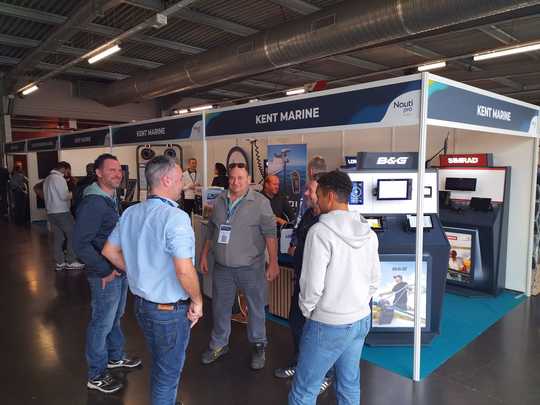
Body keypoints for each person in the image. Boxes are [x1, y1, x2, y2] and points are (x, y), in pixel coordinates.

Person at [102, 155, 203, 405]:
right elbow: (184, 270)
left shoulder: (131, 212)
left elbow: (109, 251)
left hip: (142, 307)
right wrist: (197, 300)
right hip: (168, 312)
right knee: (168, 374)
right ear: (166, 179)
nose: (182, 184)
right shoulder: (176, 217)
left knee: (161, 363)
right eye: (179, 178)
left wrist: (138, 271)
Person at [289, 170, 380, 405]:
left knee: (303, 391)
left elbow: (311, 286)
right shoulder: (368, 233)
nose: (315, 200)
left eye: (318, 195)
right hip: (360, 320)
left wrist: (309, 312)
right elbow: (374, 281)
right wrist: (357, 305)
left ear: (329, 196)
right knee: (349, 384)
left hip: (328, 323)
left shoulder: (320, 232)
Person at [200, 162, 279, 370]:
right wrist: (204, 255)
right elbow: (212, 230)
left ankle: (258, 345)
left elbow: (270, 234)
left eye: (240, 178)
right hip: (222, 268)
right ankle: (218, 344)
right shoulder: (219, 200)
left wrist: (273, 263)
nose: (235, 182)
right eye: (232, 178)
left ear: (249, 180)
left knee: (255, 308)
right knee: (220, 308)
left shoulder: (260, 203)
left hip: (251, 268)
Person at [73, 153, 141, 394]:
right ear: (98, 173)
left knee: (115, 317)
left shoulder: (110, 198)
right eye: (111, 170)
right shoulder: (94, 203)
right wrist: (104, 270)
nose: (117, 174)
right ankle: (96, 375)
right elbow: (80, 244)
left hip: (117, 269)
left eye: (119, 170)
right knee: (101, 323)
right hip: (105, 273)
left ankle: (115, 356)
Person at [274, 174, 334, 394]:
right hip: (302, 282)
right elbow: (298, 234)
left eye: (310, 190)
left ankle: (325, 374)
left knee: (319, 334)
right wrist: (293, 244)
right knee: (297, 324)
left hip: (322, 289)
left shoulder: (329, 221)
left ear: (324, 194)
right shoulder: (309, 214)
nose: (306, 193)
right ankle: (299, 362)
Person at [43, 161, 84, 270]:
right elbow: (64, 196)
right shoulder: (59, 179)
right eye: (68, 171)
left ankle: (60, 262)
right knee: (73, 234)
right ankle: (71, 261)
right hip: (62, 212)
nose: (68, 173)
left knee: (59, 237)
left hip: (51, 212)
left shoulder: (47, 179)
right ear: (64, 169)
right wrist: (76, 192)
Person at [289, 156, 327, 256]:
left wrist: (293, 242)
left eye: (310, 191)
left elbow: (299, 217)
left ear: (310, 171)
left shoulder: (307, 188)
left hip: (305, 249)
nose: (307, 193)